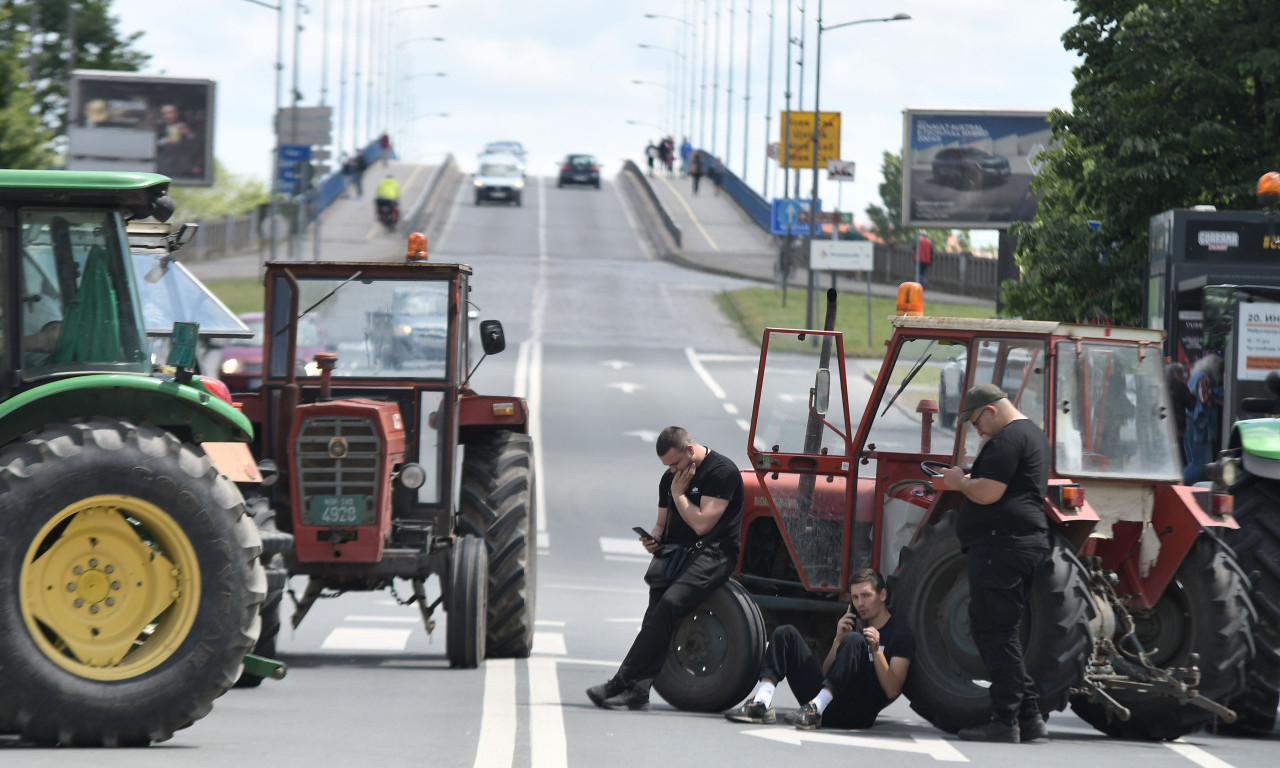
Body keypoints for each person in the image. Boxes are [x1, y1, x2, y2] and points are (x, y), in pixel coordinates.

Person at [587, 427, 744, 710]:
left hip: (713, 554)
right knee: (655, 618)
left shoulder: (722, 472)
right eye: (667, 466)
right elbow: (662, 523)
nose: (672, 470)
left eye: (675, 464)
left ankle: (619, 681)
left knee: (670, 605)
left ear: (690, 450)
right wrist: (654, 539)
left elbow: (701, 524)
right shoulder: (671, 478)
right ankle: (638, 690)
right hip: (675, 554)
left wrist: (679, 494)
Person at [930, 383, 1051, 743]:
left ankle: (1005, 720)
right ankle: (1029, 716)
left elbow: (989, 492)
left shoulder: (1006, 440)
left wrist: (960, 482)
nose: (976, 429)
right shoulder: (1032, 435)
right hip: (1018, 545)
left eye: (976, 421)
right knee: (1002, 632)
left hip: (1001, 548)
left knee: (995, 633)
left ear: (991, 411)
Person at [724, 569, 913, 730]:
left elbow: (892, 690)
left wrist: (875, 651)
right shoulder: (856, 626)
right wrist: (838, 640)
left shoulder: (900, 634)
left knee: (855, 640)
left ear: (882, 595)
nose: (860, 603)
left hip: (858, 713)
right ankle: (762, 702)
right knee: (785, 633)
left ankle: (816, 708)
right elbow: (826, 673)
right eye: (855, 597)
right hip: (824, 705)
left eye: (866, 596)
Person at [1183, 353, 1224, 484]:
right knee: (1201, 465)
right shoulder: (1205, 378)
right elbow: (1205, 398)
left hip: (1191, 424)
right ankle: (1180, 484)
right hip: (1200, 427)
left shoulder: (1194, 377)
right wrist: (1221, 401)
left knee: (1193, 461)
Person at [1166, 362, 1194, 466]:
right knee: (1180, 455)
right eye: (1181, 374)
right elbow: (1191, 406)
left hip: (1164, 426)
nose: (1182, 377)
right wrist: (1192, 394)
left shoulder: (1163, 384)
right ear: (1175, 373)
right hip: (1178, 427)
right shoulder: (1181, 387)